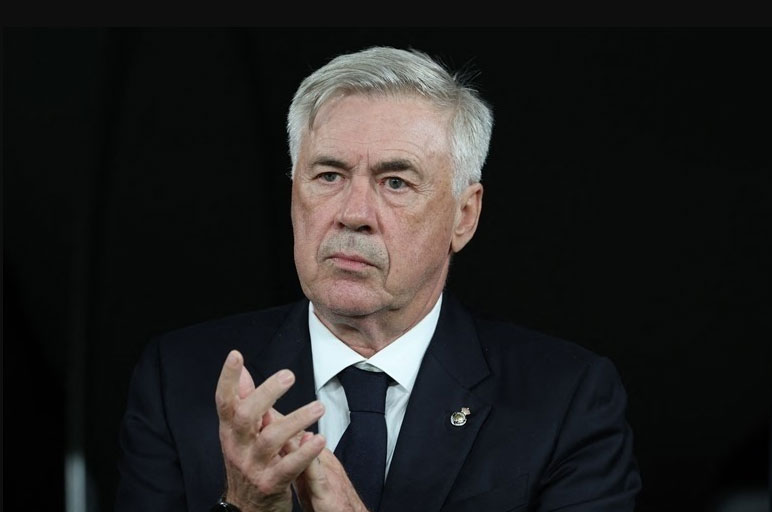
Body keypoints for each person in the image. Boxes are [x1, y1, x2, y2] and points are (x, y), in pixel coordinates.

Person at [115, 46, 642, 512]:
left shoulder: (565, 399)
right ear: (293, 193)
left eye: (395, 182)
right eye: (329, 176)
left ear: (464, 216)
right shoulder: (181, 378)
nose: (353, 214)